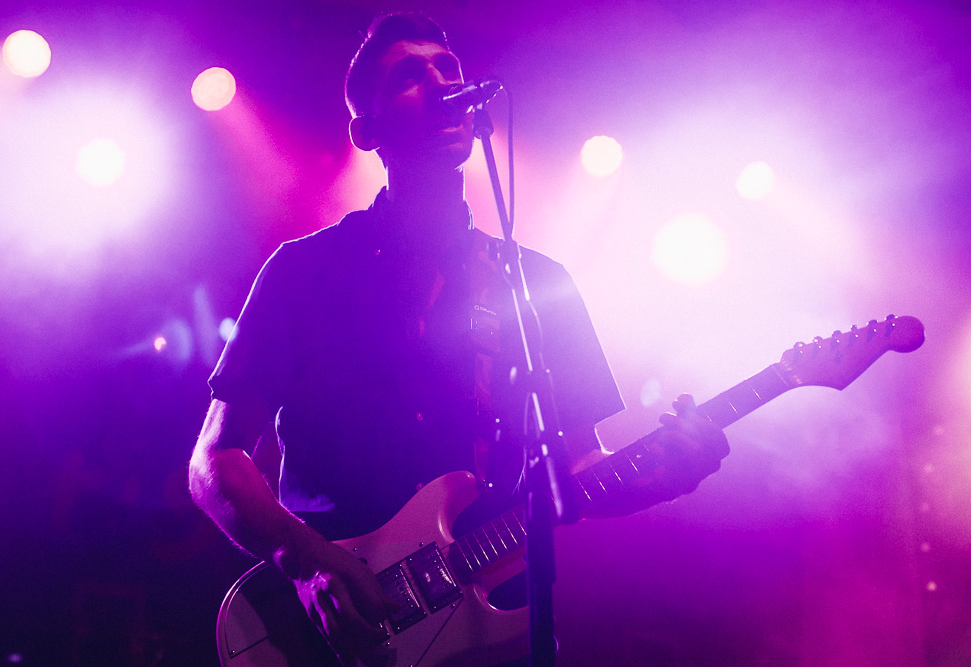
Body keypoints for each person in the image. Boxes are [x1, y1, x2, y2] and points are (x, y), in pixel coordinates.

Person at [189, 12, 728, 666]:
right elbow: (215, 460)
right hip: (337, 630)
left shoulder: (536, 283)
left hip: (486, 633)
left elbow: (578, 468)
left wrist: (664, 475)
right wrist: (305, 560)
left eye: (449, 69)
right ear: (367, 130)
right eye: (409, 76)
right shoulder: (303, 272)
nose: (443, 84)